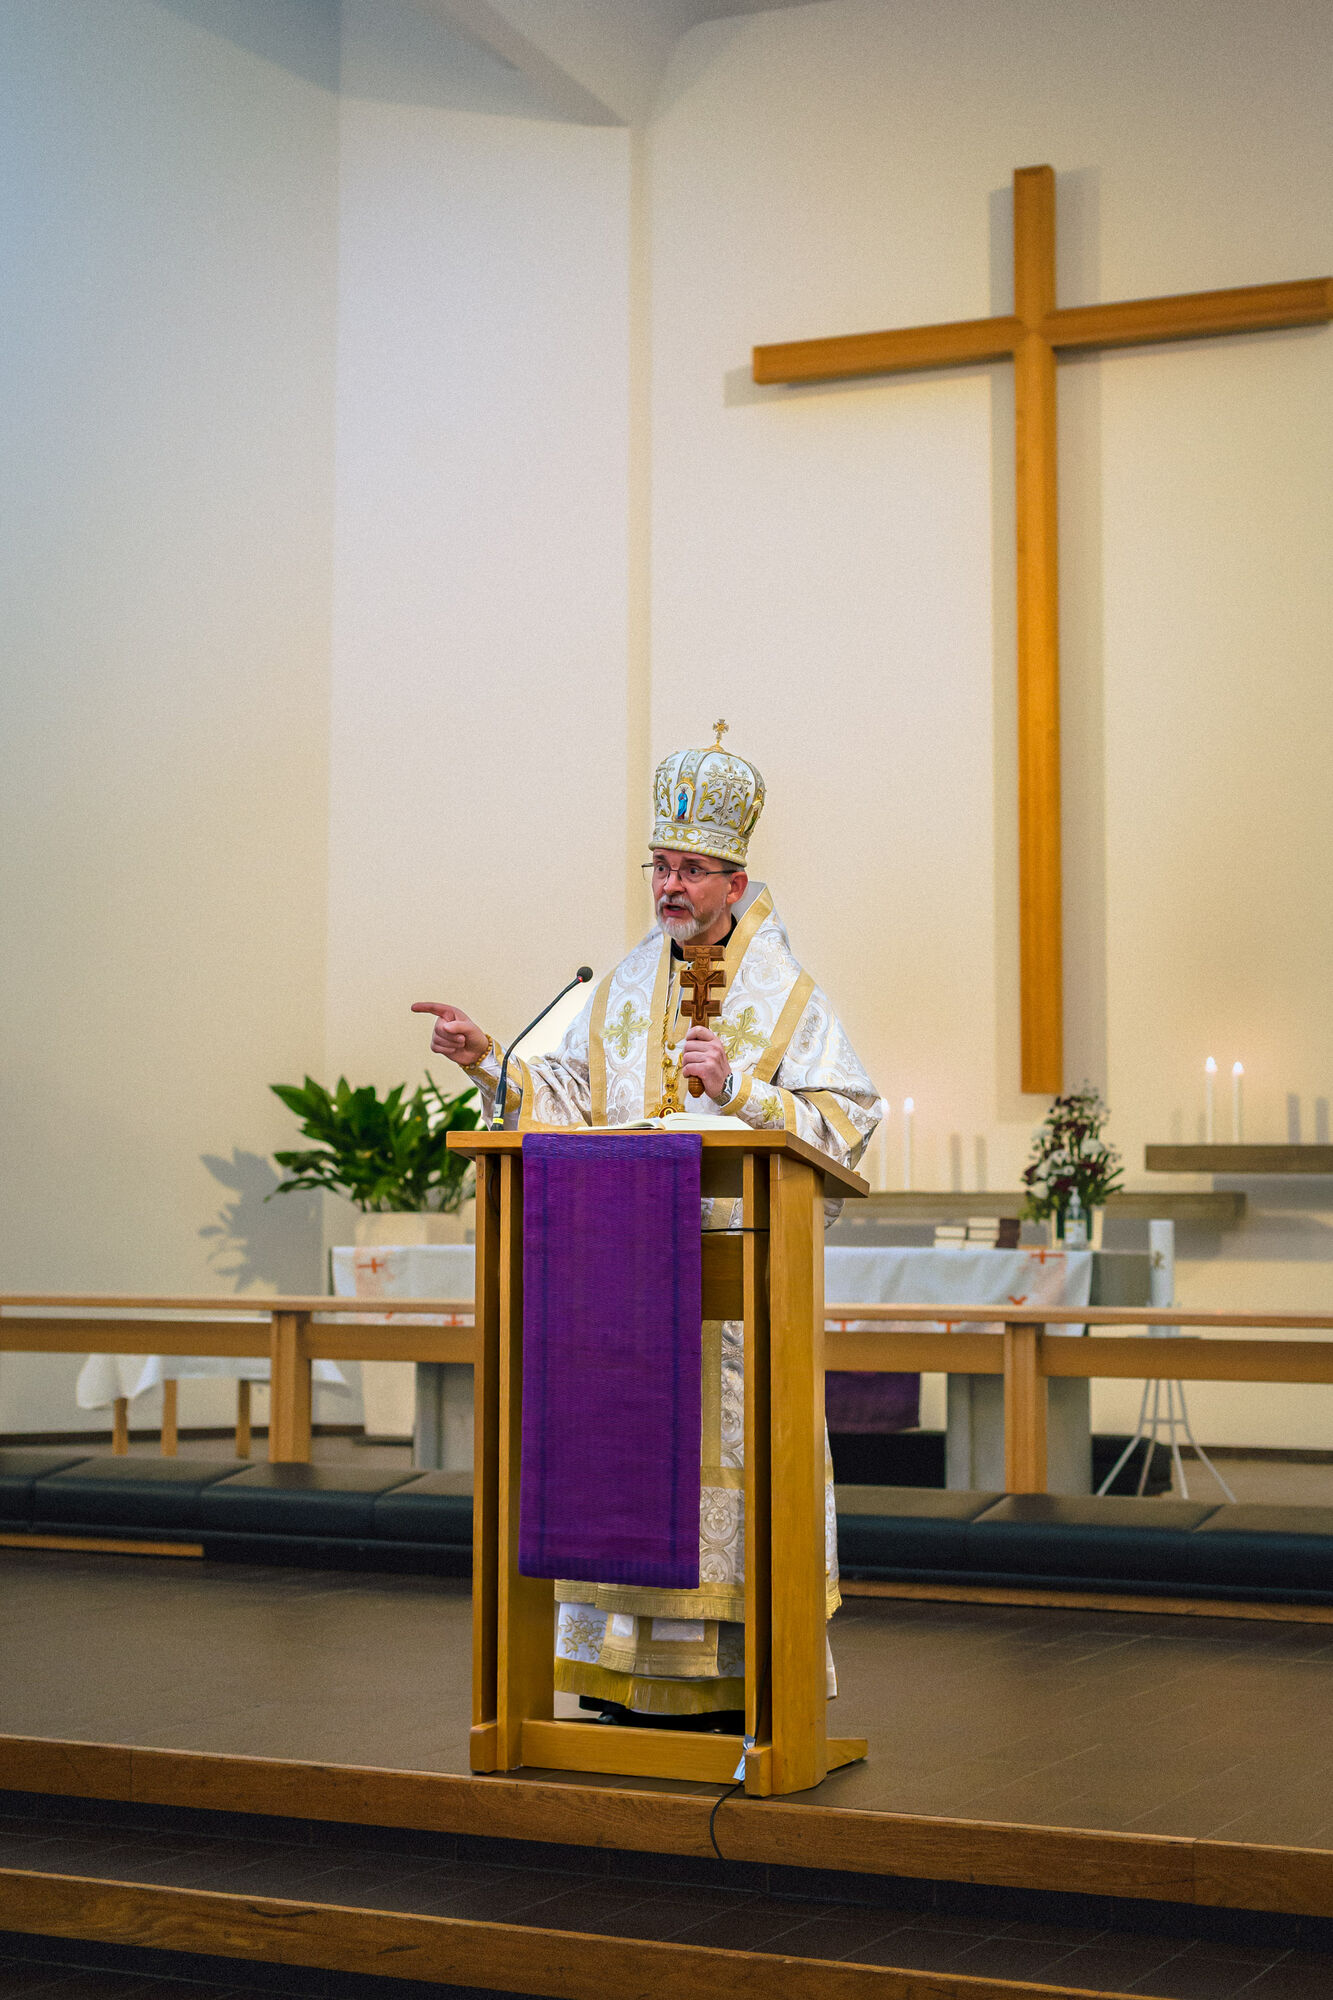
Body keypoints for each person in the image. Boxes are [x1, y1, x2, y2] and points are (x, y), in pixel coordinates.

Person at [414, 725, 884, 1726]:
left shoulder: (789, 998)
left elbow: (850, 1121)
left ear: (734, 880)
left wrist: (743, 1089)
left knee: (729, 1473)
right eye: (660, 866)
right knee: (622, 1463)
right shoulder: (621, 988)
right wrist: (486, 1057)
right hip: (627, 1281)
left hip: (738, 1295)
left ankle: (736, 1690)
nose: (669, 885)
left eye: (690, 870)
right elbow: (566, 1101)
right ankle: (620, 1680)